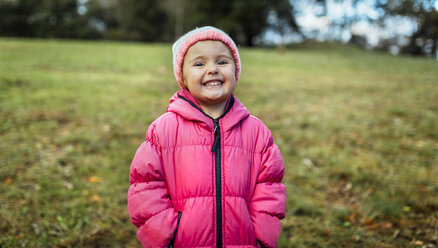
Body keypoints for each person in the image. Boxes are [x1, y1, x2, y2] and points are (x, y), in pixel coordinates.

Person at [127, 26, 286, 248]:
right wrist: (167, 237)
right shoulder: (162, 131)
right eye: (199, 63)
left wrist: (260, 237)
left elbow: (270, 190)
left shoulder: (257, 133)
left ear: (235, 70)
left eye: (222, 62)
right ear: (182, 76)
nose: (212, 69)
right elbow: (146, 188)